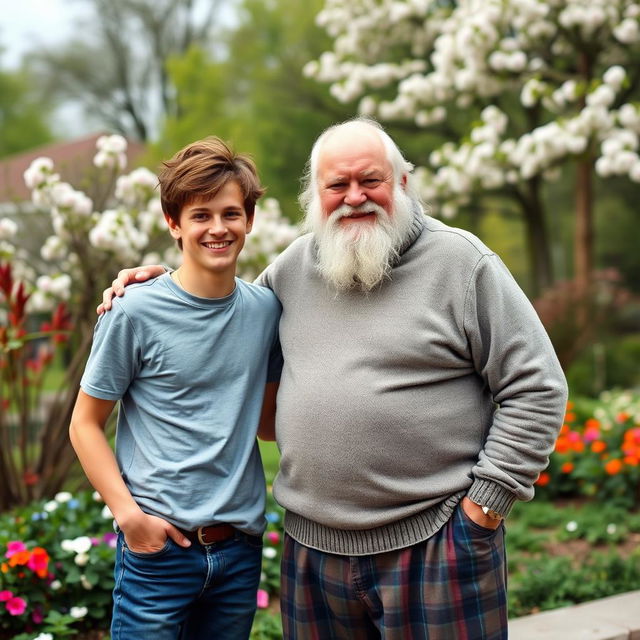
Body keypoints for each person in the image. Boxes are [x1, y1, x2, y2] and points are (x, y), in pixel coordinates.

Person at [100, 118, 568, 640]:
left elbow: (537, 386)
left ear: (403, 184)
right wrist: (152, 283)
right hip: (313, 554)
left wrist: (485, 506)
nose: (354, 197)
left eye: (370, 180)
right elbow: (215, 311)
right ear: (314, 195)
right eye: (336, 185)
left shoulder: (463, 264)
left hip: (436, 540)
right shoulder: (291, 270)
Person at [70, 137, 282, 640]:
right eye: (200, 215)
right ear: (174, 224)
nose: (217, 228)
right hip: (158, 553)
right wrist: (129, 518)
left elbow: (268, 425)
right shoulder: (133, 312)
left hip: (239, 551)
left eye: (231, 213)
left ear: (249, 221)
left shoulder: (265, 311)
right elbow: (84, 424)